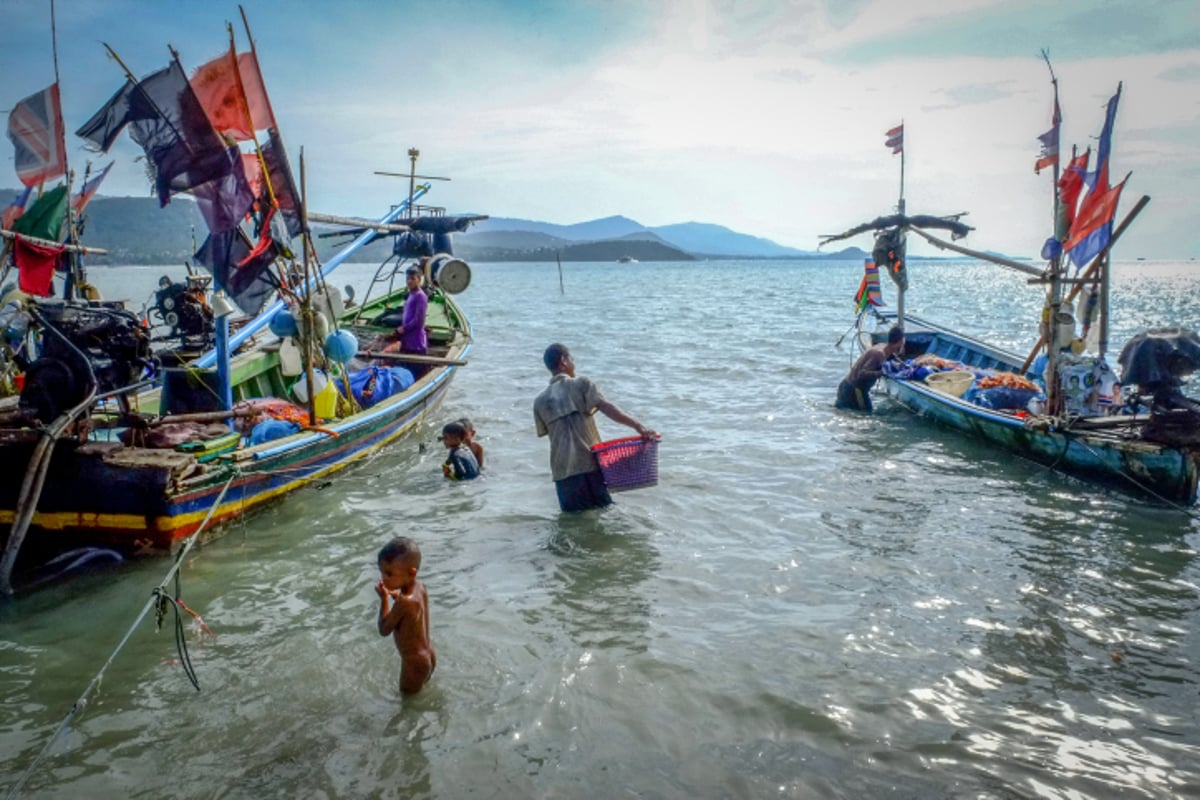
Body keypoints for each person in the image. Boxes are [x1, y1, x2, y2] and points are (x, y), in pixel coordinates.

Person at [534, 343, 656, 512]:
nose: (573, 364)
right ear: (563, 361)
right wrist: (638, 426)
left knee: (574, 525)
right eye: (571, 359)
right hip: (589, 467)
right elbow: (607, 408)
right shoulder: (581, 384)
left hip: (563, 475)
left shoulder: (540, 401)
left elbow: (548, 433)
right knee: (605, 514)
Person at [375, 537, 437, 695]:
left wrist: (384, 600)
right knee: (422, 696)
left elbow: (384, 629)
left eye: (389, 574)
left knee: (407, 702)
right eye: (381, 572)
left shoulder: (404, 602)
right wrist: (395, 597)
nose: (383, 578)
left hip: (414, 663)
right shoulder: (420, 588)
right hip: (429, 653)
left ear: (411, 572)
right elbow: (414, 611)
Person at [836, 325, 906, 411]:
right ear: (899, 342)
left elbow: (893, 357)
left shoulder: (883, 347)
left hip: (848, 386)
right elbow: (861, 373)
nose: (903, 345)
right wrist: (881, 372)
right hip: (854, 390)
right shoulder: (879, 354)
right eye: (902, 342)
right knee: (865, 415)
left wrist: (904, 366)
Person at [385, 265, 429, 378]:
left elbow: (419, 321)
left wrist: (403, 329)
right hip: (407, 340)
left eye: (413, 279)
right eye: (408, 279)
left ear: (419, 280)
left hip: (416, 343)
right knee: (407, 371)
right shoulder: (411, 294)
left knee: (417, 373)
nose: (409, 281)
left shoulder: (421, 296)